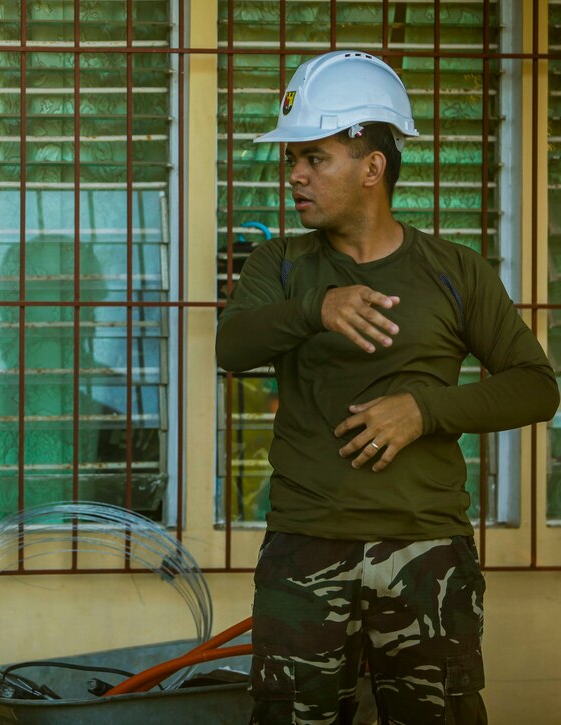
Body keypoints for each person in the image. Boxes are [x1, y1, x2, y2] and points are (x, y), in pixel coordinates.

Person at [216, 50, 559, 724]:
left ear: (372, 166)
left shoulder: (455, 271)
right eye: (294, 160)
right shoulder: (280, 264)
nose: (295, 176)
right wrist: (315, 309)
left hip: (428, 550)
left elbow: (536, 386)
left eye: (315, 157)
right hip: (303, 544)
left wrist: (425, 409)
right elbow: (232, 347)